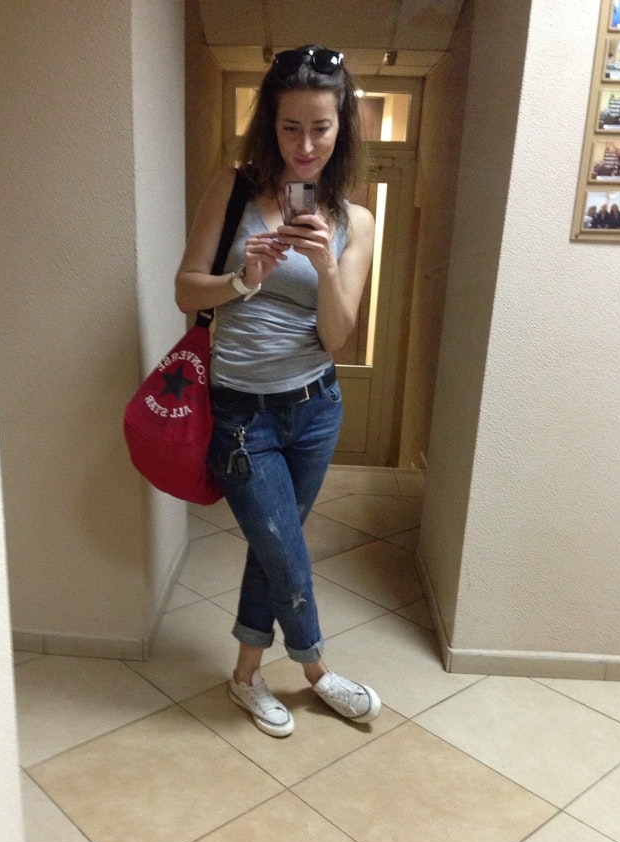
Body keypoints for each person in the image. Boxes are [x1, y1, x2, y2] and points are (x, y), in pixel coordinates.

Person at [175, 44, 380, 738]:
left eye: (321, 128)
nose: (305, 146)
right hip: (240, 413)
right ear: (271, 124)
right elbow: (185, 290)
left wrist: (326, 268)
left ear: (342, 127)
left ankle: (244, 676)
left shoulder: (356, 221)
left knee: (274, 546)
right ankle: (318, 670)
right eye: (291, 127)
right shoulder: (233, 189)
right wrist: (244, 280)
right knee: (284, 549)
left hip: (316, 409)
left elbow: (337, 337)